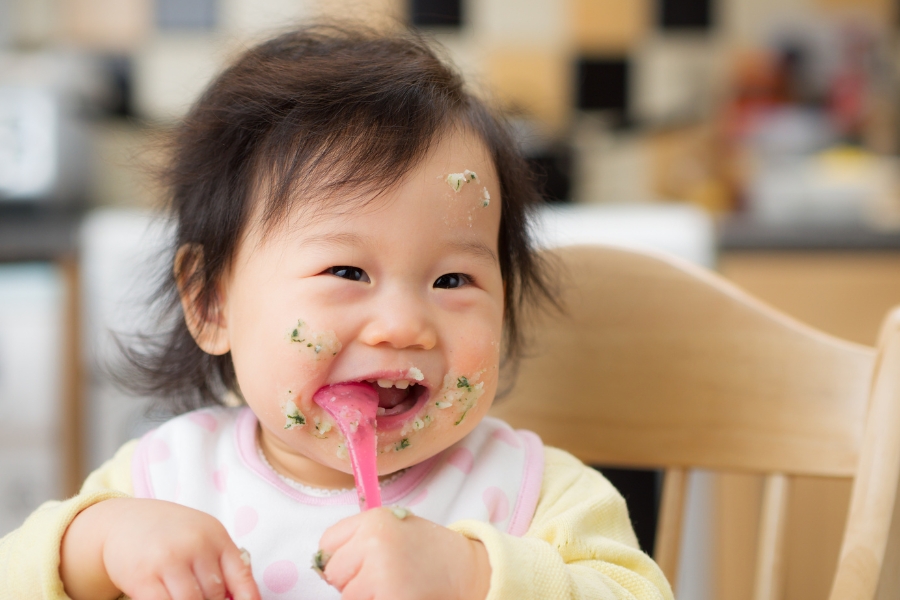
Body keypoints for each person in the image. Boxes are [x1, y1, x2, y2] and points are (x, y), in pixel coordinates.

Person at [1, 23, 674, 600]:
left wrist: (473, 577)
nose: (403, 326)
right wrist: (94, 548)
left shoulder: (538, 493)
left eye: (453, 279)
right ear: (211, 302)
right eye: (347, 272)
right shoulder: (165, 480)